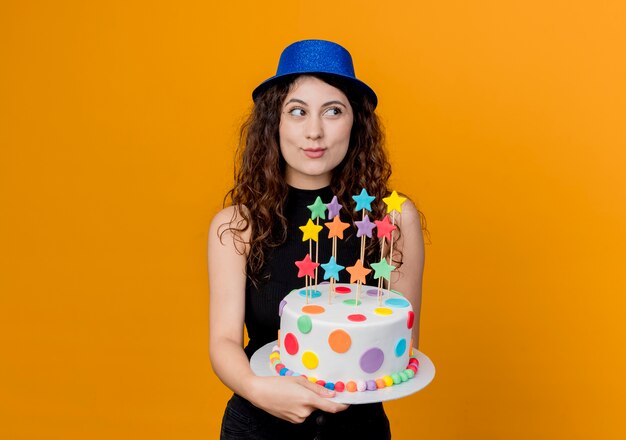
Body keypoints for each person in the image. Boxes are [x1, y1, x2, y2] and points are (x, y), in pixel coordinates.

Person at [208, 39, 425, 440]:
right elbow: (223, 341)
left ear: (355, 122)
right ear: (275, 121)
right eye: (297, 111)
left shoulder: (391, 218)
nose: (314, 131)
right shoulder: (237, 225)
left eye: (333, 111)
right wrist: (260, 390)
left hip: (358, 431)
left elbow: (404, 339)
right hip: (256, 427)